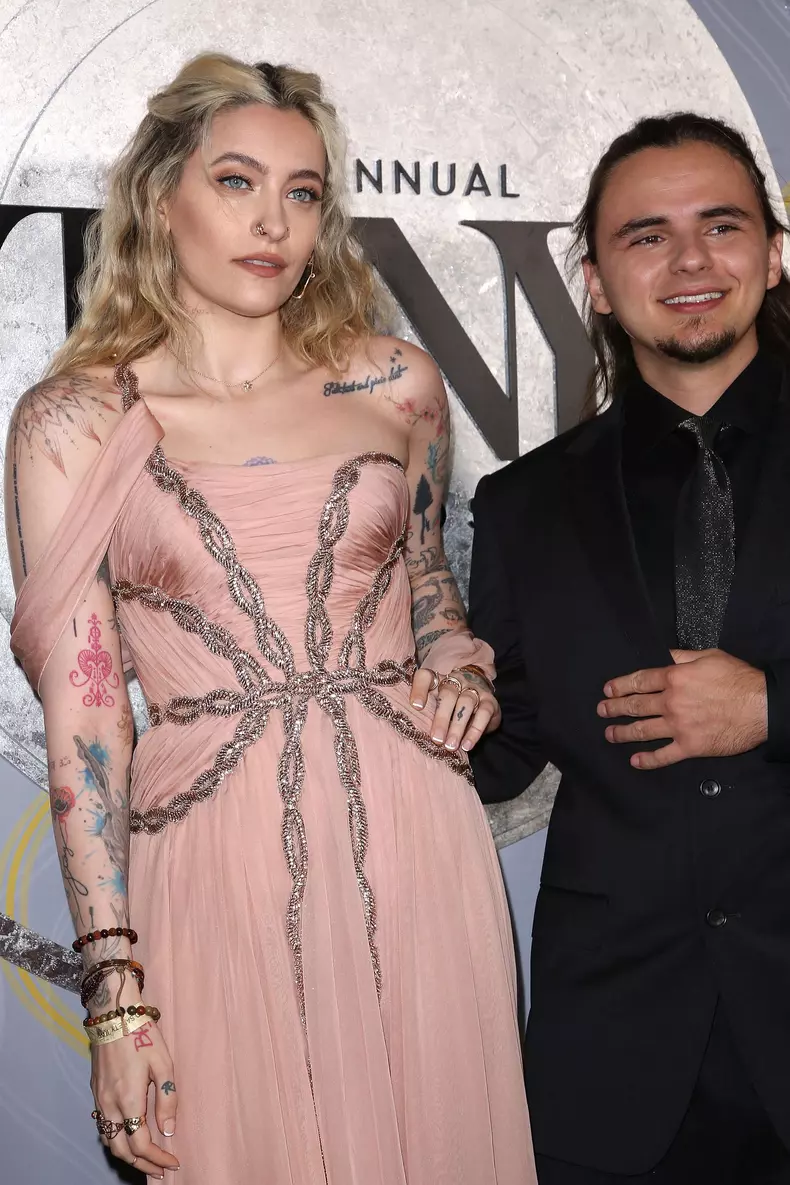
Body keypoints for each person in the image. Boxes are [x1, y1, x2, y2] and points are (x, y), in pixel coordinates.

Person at [6, 53, 535, 1185]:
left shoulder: (395, 384)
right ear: (161, 199)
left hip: (414, 837)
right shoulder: (75, 419)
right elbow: (90, 727)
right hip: (211, 853)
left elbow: (431, 589)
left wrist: (461, 670)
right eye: (237, 181)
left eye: (302, 192)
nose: (275, 221)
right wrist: (113, 998)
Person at [469, 112, 790, 1185]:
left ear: (773, 251)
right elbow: (499, 750)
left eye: (721, 225)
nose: (690, 261)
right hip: (614, 1062)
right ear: (598, 281)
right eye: (645, 236)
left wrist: (773, 710)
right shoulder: (522, 506)